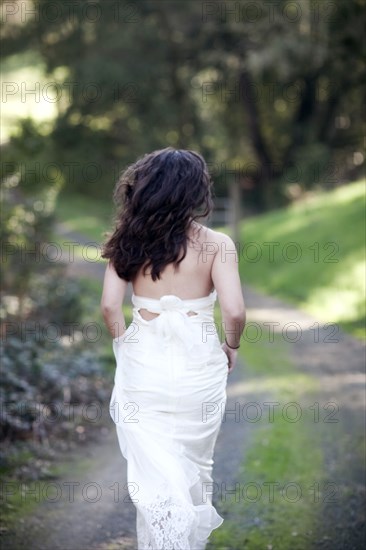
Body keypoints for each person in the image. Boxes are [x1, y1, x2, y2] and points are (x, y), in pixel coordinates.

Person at [100, 147, 246, 550]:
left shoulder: (125, 241)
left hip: (144, 364)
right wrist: (231, 346)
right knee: (193, 468)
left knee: (153, 472)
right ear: (193, 192)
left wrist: (125, 343)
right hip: (199, 367)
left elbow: (110, 306)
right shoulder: (217, 244)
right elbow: (234, 311)